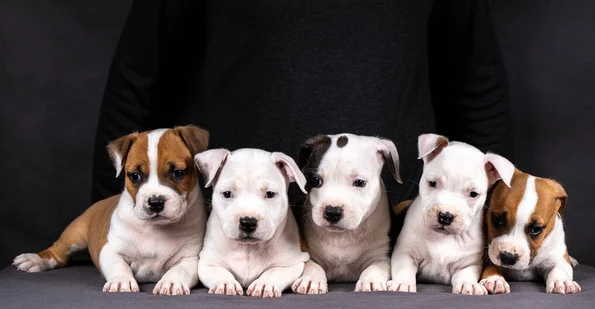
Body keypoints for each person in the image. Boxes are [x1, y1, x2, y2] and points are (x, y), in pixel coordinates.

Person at [91, 0, 513, 209]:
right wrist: (108, 223)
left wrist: (500, 221)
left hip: (397, 250)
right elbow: (140, 77)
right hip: (230, 249)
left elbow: (474, 80)